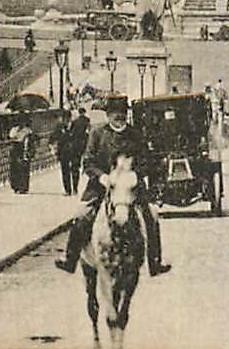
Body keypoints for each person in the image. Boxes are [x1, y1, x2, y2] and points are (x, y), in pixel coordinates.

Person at [55, 95, 171, 276]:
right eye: (114, 114)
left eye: (122, 113)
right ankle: (70, 259)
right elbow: (88, 161)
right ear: (107, 115)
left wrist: (136, 174)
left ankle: (155, 262)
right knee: (81, 214)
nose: (119, 117)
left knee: (152, 215)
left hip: (130, 187)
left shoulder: (136, 135)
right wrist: (101, 177)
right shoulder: (97, 134)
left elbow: (146, 161)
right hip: (101, 187)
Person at [56, 106, 90, 195]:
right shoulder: (60, 127)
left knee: (74, 170)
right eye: (64, 118)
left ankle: (74, 188)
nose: (65, 120)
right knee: (66, 171)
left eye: (67, 118)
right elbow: (57, 140)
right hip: (65, 151)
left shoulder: (76, 125)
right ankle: (68, 190)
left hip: (74, 150)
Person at [7, 113, 34, 194]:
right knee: (14, 168)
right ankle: (15, 185)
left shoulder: (27, 131)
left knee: (24, 168)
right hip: (15, 149)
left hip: (23, 148)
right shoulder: (13, 130)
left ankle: (23, 187)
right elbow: (10, 138)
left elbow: (30, 140)